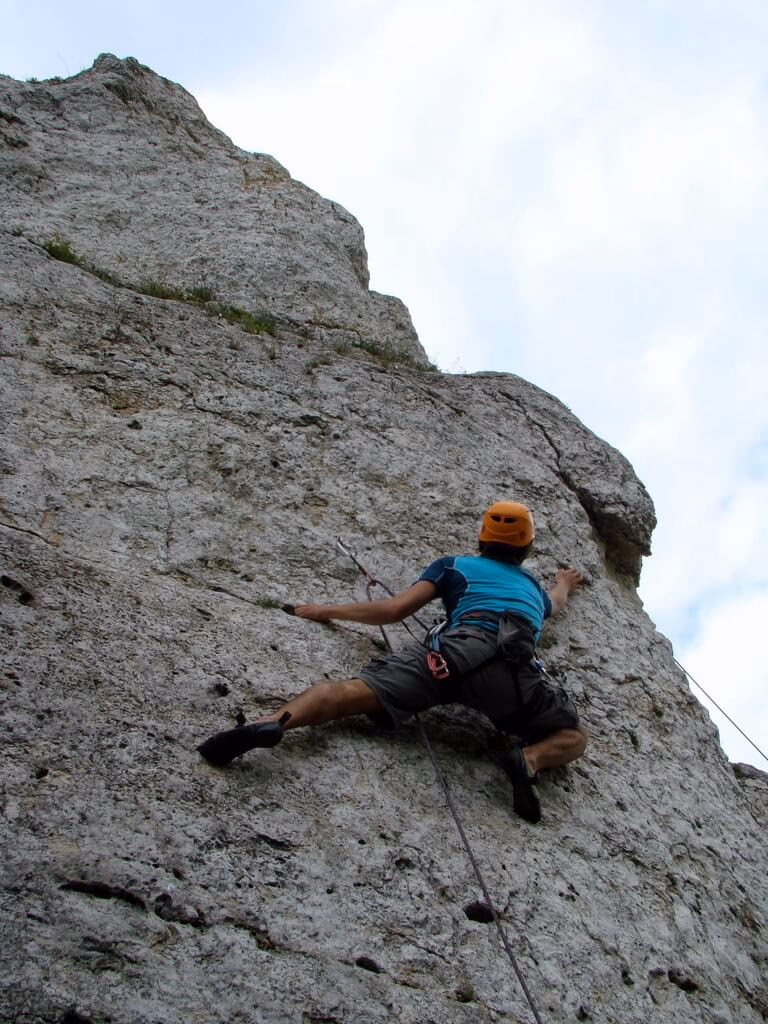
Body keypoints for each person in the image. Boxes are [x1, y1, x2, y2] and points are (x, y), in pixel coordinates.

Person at [198, 501, 587, 823]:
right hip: (516, 678)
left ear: (482, 538)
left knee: (347, 693)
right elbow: (556, 603)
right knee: (574, 737)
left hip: (449, 659)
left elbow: (395, 609)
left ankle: (273, 724)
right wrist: (564, 582)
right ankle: (529, 759)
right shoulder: (533, 589)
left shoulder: (454, 566)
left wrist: (324, 610)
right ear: (526, 548)